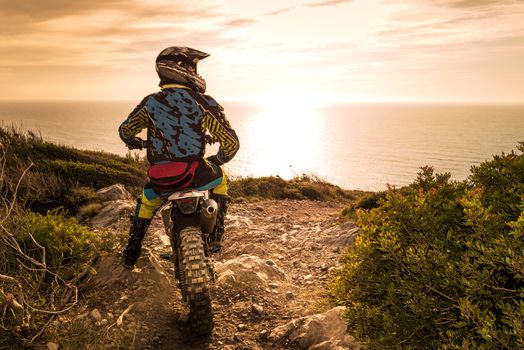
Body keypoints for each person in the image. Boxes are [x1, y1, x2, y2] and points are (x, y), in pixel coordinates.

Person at [118, 46, 239, 269]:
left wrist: (138, 143)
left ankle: (130, 255)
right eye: (194, 67)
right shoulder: (202, 102)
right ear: (182, 69)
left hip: (160, 179)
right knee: (221, 178)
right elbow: (231, 143)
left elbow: (125, 131)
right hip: (194, 175)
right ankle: (216, 235)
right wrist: (217, 161)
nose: (198, 74)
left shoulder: (150, 102)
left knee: (144, 206)